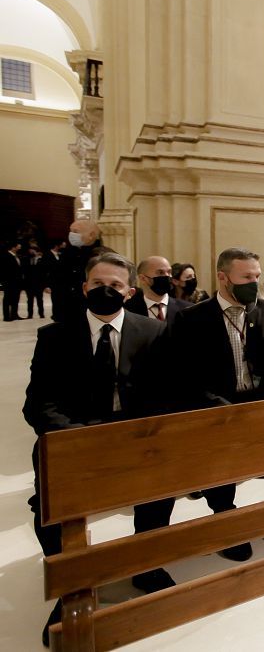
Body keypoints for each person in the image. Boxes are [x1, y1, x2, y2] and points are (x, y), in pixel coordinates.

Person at [23, 252, 174, 645]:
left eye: (115, 286)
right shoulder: (54, 336)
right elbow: (38, 403)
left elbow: (166, 396)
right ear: (84, 288)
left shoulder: (154, 333)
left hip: (133, 438)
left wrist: (138, 437)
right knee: (48, 508)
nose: (105, 291)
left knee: (162, 488)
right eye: (97, 284)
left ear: (128, 292)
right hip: (74, 439)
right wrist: (78, 440)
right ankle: (73, 583)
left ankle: (147, 563)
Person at [172, 247, 264, 560]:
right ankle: (227, 519)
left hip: (263, 403)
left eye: (257, 276)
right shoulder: (191, 319)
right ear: (223, 278)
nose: (254, 282)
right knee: (220, 471)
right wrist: (220, 407)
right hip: (218, 408)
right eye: (246, 277)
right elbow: (184, 374)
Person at [51, 219, 103, 322]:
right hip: (66, 312)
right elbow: (57, 283)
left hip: (91, 312)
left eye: (75, 231)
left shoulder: (101, 255)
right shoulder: (66, 254)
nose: (71, 235)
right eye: (70, 231)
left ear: (91, 235)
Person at [126, 256, 193, 325]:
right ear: (143, 278)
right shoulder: (128, 310)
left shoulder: (187, 309)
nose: (167, 276)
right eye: (160, 272)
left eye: (169, 272)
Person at [2, 240, 23, 321]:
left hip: (17, 282)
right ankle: (6, 316)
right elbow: (4, 270)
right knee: (7, 299)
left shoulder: (16, 256)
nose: (20, 246)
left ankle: (14, 314)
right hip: (9, 281)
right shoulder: (5, 256)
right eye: (18, 245)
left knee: (15, 298)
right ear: (13, 247)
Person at [23, 245, 46, 319]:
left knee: (40, 300)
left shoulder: (41, 259)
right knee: (29, 300)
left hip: (38, 283)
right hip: (29, 283)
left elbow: (43, 272)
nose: (30, 251)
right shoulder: (26, 259)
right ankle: (30, 314)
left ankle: (41, 314)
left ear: (35, 250)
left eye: (31, 250)